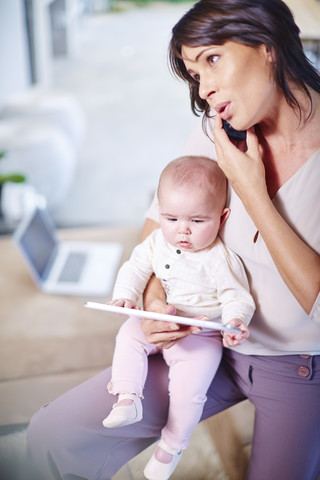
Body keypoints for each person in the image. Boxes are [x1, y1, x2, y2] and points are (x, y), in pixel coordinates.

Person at [26, 1, 320, 479]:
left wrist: (253, 193)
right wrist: (155, 298)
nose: (203, 88)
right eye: (192, 71)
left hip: (298, 366)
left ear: (266, 46)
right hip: (206, 340)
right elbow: (157, 226)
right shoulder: (218, 128)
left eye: (212, 59)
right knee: (53, 434)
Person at [102, 155, 255, 479]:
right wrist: (127, 296)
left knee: (189, 391)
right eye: (171, 219)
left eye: (197, 221)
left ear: (221, 217)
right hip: (160, 320)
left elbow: (236, 296)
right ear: (160, 214)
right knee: (128, 336)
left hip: (199, 336)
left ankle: (172, 445)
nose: (182, 230)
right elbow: (136, 267)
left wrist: (236, 321)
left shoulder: (219, 259)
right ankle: (128, 398)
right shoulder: (158, 241)